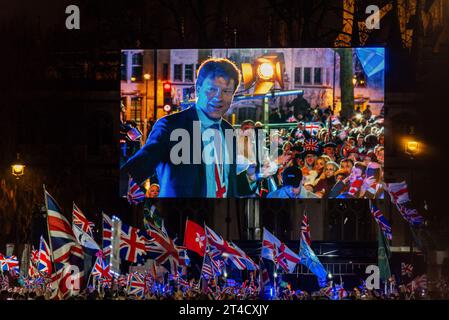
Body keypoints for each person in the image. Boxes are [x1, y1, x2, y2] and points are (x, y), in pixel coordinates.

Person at [121, 58, 258, 198]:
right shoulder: (171, 126)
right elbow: (132, 173)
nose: (219, 97)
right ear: (198, 89)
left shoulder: (228, 131)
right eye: (212, 89)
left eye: (226, 91)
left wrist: (253, 175)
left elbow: (229, 184)